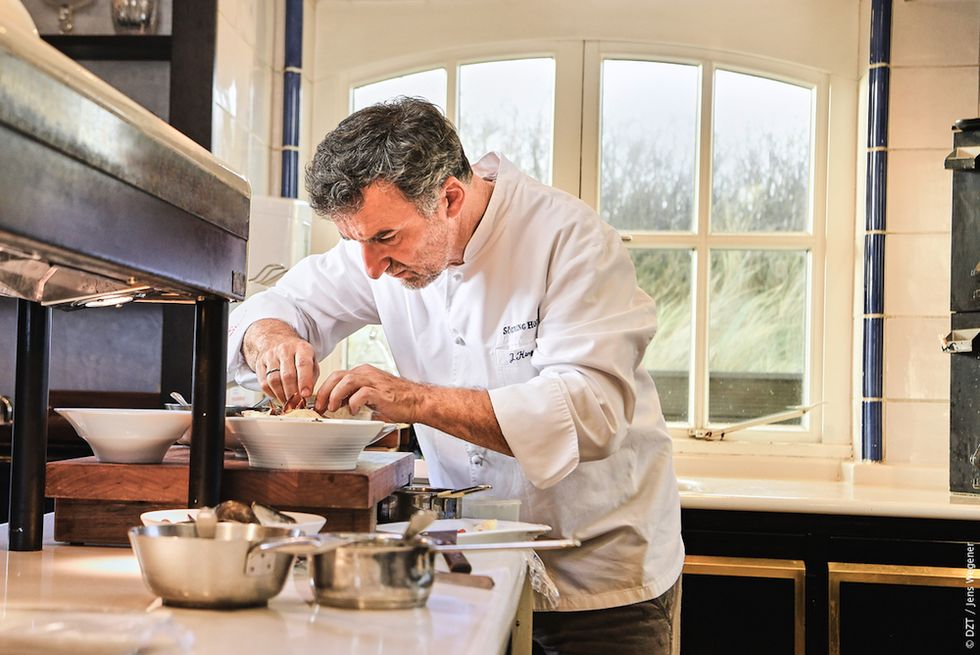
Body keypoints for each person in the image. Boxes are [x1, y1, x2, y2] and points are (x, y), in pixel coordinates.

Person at [226, 97, 684, 654]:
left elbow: (591, 413)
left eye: (384, 240)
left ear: (450, 197)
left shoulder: (572, 240)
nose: (370, 267)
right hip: (471, 562)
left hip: (599, 578)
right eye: (355, 242)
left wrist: (412, 399)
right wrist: (273, 339)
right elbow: (280, 304)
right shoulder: (382, 240)